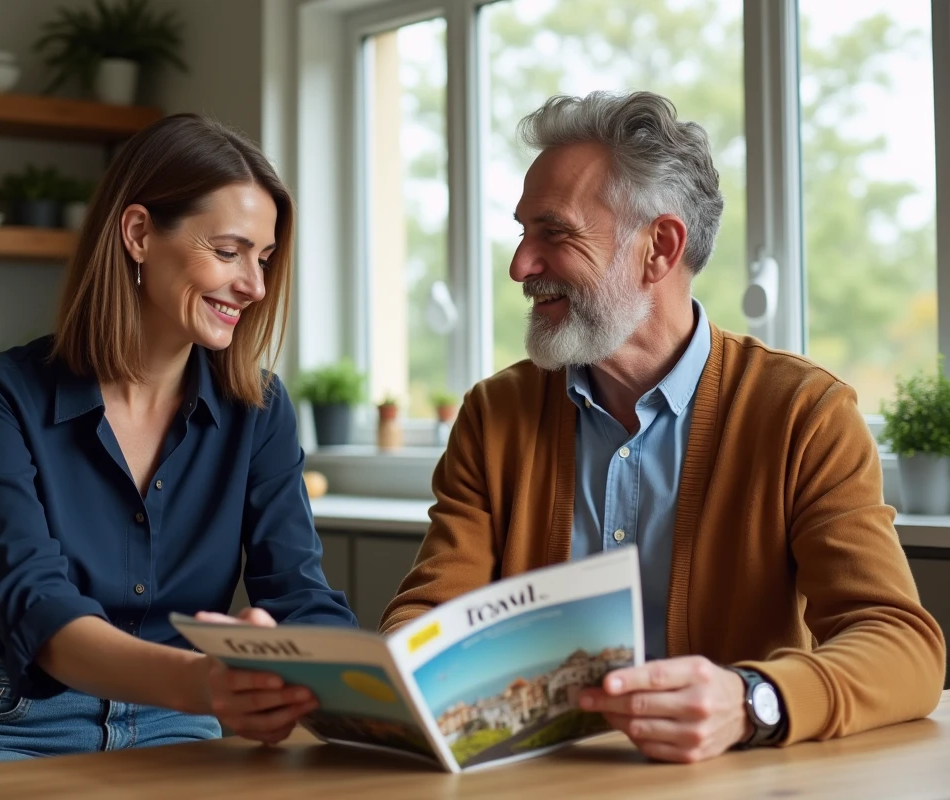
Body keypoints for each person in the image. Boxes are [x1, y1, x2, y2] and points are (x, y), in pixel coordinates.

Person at [380, 91, 945, 763]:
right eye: (522, 232)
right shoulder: (492, 416)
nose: (520, 266)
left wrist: (749, 699)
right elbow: (425, 624)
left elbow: (901, 644)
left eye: (553, 233)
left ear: (660, 247)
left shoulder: (804, 414)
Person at [0, 114, 356, 768]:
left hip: (180, 723)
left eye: (263, 259)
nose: (256, 286)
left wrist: (351, 683)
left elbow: (298, 594)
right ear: (140, 233)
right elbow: (39, 612)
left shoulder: (259, 411)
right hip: (14, 720)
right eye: (230, 251)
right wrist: (208, 683)